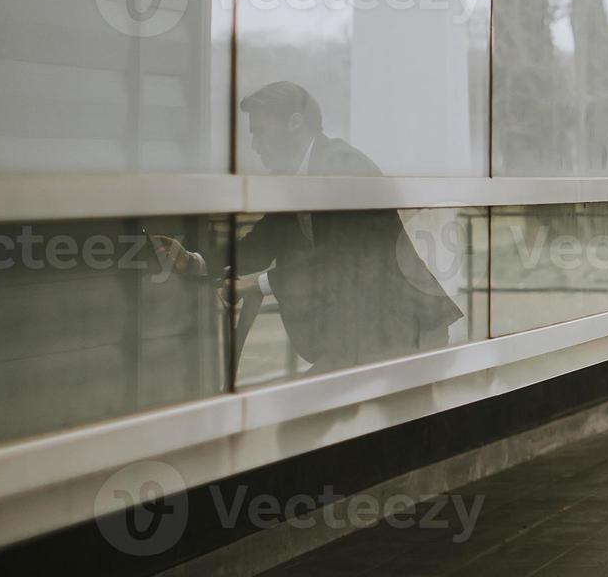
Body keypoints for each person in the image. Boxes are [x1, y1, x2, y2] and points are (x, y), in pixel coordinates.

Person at [151, 81, 462, 375]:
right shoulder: (293, 177)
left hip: (406, 325)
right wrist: (195, 261)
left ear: (295, 123)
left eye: (259, 132)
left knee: (314, 420)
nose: (254, 145)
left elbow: (344, 258)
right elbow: (260, 244)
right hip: (364, 330)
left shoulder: (343, 165)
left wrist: (257, 284)